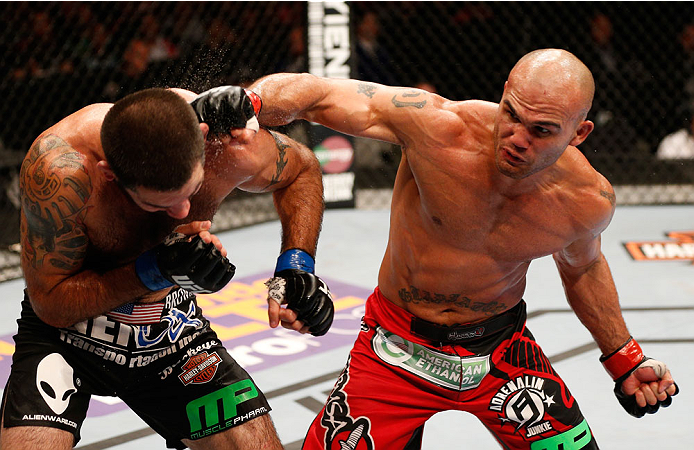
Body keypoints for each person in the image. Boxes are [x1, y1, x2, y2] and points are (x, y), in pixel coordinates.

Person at [250, 49, 679, 449]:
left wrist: (623, 356)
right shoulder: (437, 128)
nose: (516, 137)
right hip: (394, 347)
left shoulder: (586, 200)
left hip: (501, 353)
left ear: (579, 134)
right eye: (511, 114)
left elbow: (582, 268)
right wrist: (247, 102)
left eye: (541, 131)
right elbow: (317, 94)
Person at [1, 86, 334, 449]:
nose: (182, 213)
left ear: (202, 140)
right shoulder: (61, 172)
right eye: (161, 203)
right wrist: (153, 270)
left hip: (170, 330)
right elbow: (50, 304)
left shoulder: (228, 148)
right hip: (67, 336)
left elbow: (300, 168)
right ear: (109, 173)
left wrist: (296, 264)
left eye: (190, 192)